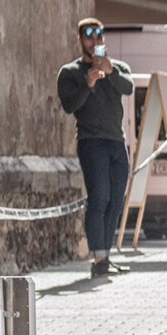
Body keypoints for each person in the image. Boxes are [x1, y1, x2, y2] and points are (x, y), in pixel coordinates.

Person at [56, 17, 136, 278]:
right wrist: (87, 84)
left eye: (99, 36)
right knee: (99, 197)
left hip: (116, 142)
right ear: (79, 40)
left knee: (115, 200)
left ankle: (106, 254)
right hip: (92, 143)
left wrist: (110, 72)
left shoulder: (118, 67)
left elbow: (129, 87)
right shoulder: (70, 72)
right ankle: (98, 257)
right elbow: (70, 106)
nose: (94, 41)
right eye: (89, 37)